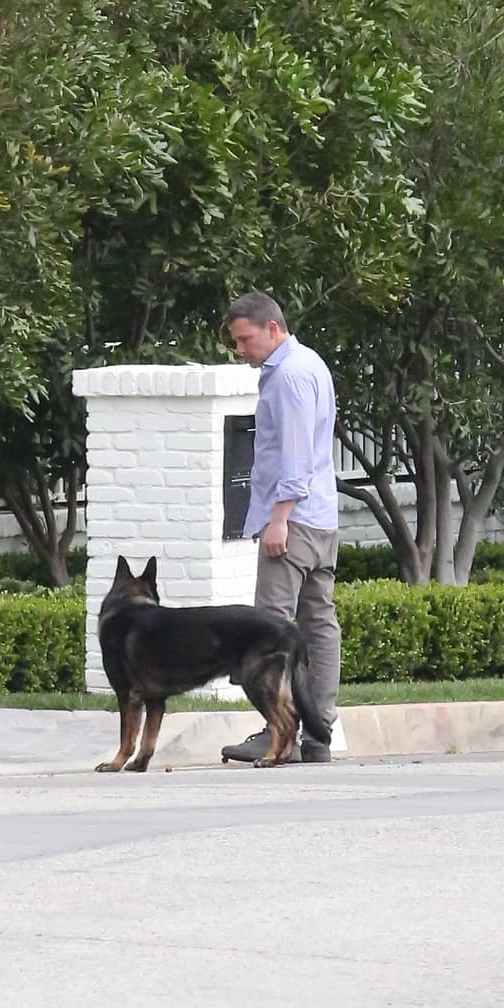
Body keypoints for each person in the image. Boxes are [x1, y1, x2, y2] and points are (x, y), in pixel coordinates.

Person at [221, 291, 340, 764]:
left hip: (293, 521)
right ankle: (318, 734)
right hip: (322, 518)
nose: (241, 350)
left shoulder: (288, 376)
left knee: (267, 630)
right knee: (318, 625)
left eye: (245, 339)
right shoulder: (311, 363)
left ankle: (278, 734)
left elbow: (293, 457)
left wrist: (278, 519)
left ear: (272, 329)